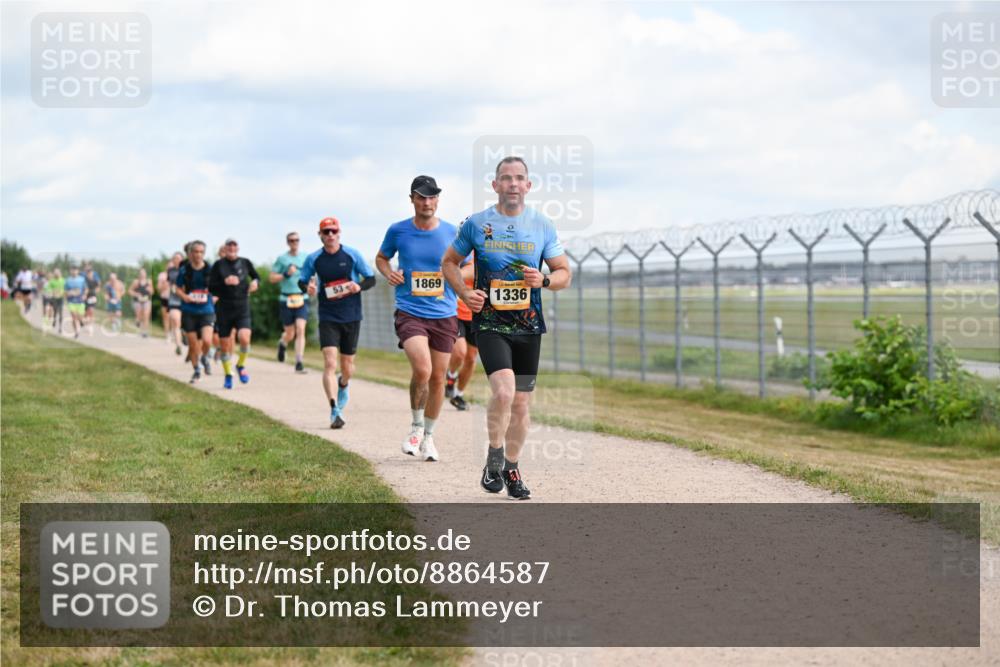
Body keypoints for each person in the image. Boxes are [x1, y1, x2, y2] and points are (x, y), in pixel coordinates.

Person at [442, 156, 572, 500]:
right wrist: (464, 292)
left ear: (528, 185)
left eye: (519, 178)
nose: (512, 183)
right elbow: (449, 263)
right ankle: (494, 455)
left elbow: (564, 273)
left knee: (522, 404)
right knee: (504, 393)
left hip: (528, 326)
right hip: (490, 323)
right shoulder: (477, 224)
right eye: (506, 177)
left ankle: (511, 468)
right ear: (495, 184)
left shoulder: (542, 225)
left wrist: (544, 279)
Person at [376, 175, 460, 462]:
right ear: (412, 199)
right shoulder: (398, 230)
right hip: (410, 311)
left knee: (438, 378)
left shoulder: (452, 232)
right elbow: (382, 258)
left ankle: (429, 437)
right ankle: (415, 427)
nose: (427, 202)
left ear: (438, 199)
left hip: (444, 314)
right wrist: (389, 273)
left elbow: (470, 267)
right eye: (422, 197)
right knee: (423, 370)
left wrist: (449, 274)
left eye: (432, 196)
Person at [298, 217, 376, 429]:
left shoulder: (352, 254)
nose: (330, 235)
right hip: (328, 316)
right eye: (326, 232)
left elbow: (371, 278)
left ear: (339, 233)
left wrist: (359, 286)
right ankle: (334, 410)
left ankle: (343, 383)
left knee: (347, 368)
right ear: (320, 235)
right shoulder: (314, 258)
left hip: (351, 315)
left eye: (333, 231)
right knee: (330, 363)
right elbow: (302, 281)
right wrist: (307, 288)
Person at [209, 238, 259, 389]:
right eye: (229, 245)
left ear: (238, 248)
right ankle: (228, 374)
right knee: (224, 345)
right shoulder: (218, 265)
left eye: (234, 245)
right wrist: (224, 282)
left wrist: (255, 282)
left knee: (244, 337)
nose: (231, 248)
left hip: (242, 307)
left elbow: (256, 276)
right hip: (224, 309)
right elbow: (210, 286)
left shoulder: (245, 262)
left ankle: (240, 365)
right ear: (225, 248)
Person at [175, 241, 216, 383]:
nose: (198, 254)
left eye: (201, 252)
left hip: (206, 309)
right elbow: (177, 288)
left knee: (207, 340)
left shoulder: (211, 269)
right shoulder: (184, 270)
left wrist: (215, 296)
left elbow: (219, 287)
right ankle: (197, 370)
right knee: (192, 344)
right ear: (191, 253)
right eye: (196, 252)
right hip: (189, 310)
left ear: (204, 253)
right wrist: (185, 297)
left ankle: (204, 357)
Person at [271, 231, 309, 373]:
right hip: (286, 298)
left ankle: (299, 361)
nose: (294, 242)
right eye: (292, 240)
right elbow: (272, 278)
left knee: (300, 328)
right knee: (290, 333)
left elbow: (311, 274)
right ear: (288, 242)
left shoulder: (305, 257)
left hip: (302, 297)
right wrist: (286, 274)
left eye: (296, 240)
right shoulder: (282, 259)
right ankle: (283, 343)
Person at [445, 254, 478, 411]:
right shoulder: (459, 253)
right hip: (455, 313)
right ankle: (451, 376)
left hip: (477, 315)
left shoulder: (491, 253)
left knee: (471, 359)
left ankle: (458, 395)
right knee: (460, 352)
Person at [158, 252, 184, 354]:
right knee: (175, 321)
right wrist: (169, 286)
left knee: (183, 324)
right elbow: (167, 284)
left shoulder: (187, 270)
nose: (177, 260)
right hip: (173, 300)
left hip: (186, 300)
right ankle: (178, 345)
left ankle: (184, 337)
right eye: (175, 258)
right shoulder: (170, 271)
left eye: (179, 258)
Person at [64, 266, 88, 338]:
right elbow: (65, 292)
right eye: (72, 270)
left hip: (80, 301)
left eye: (75, 270)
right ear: (70, 271)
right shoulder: (67, 280)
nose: (74, 271)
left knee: (80, 317)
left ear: (78, 271)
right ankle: (76, 332)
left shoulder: (82, 279)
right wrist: (69, 293)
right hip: (71, 302)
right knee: (74, 317)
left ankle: (81, 322)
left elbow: (86, 289)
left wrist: (85, 295)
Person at [129, 267, 153, 338]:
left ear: (146, 274)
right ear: (139, 274)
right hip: (138, 301)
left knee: (146, 315)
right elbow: (129, 291)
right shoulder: (136, 282)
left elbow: (152, 292)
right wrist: (136, 294)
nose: (142, 274)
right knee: (139, 316)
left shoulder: (149, 281)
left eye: (143, 273)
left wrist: (150, 290)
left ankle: (145, 332)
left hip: (146, 301)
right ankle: (138, 322)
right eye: (141, 273)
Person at [83, 263, 101, 329]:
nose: (89, 272)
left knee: (91, 310)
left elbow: (98, 286)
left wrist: (96, 291)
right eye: (87, 271)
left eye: (90, 271)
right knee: (85, 312)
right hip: (85, 296)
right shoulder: (83, 278)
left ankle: (90, 325)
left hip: (92, 296)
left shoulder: (95, 278)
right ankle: (85, 322)